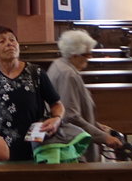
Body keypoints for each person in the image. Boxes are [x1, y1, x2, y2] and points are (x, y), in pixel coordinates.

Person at [0, 25, 65, 161]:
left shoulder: (36, 73)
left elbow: (57, 104)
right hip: (0, 150)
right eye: (2, 41)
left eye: (12, 40)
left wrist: (56, 119)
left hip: (35, 148)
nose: (9, 43)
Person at [47, 30, 122, 162]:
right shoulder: (68, 74)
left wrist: (97, 126)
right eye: (87, 54)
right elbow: (71, 116)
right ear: (74, 55)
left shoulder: (60, 65)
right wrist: (104, 138)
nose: (90, 57)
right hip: (75, 145)